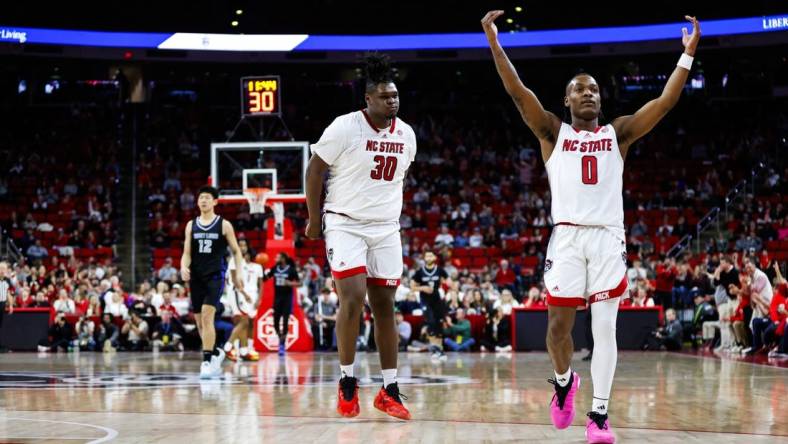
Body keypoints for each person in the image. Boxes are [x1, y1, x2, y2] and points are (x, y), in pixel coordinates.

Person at [482, 10, 701, 443]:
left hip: (606, 239)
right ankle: (564, 383)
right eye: (579, 89)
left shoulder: (618, 134)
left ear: (601, 100)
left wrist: (687, 56)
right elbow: (516, 91)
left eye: (595, 89)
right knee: (557, 331)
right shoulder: (551, 131)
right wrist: (493, 40)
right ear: (566, 100)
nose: (588, 93)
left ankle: (599, 415)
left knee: (604, 330)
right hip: (566, 237)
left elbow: (665, 103)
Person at [305, 53, 416, 420]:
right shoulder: (344, 127)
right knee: (351, 298)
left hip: (385, 227)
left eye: (396, 95)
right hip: (344, 223)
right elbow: (315, 170)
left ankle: (389, 388)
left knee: (386, 306)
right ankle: (347, 380)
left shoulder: (407, 134)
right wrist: (312, 219)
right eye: (385, 96)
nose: (393, 101)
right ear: (367, 100)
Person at [180, 185, 245, 378]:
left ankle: (207, 360)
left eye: (207, 198)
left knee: (208, 317)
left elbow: (237, 251)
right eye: (201, 198)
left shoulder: (224, 225)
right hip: (196, 278)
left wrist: (238, 272)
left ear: (215, 201)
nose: (204, 200)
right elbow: (186, 253)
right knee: (200, 323)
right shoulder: (191, 225)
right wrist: (184, 266)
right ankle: (216, 351)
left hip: (215, 276)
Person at [224, 250, 263, 361]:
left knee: (245, 323)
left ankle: (244, 350)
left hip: (239, 293)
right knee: (243, 321)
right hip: (236, 292)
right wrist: (245, 294)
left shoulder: (249, 265)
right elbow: (234, 281)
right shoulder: (234, 261)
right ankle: (229, 346)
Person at [411, 251, 449, 361]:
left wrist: (451, 286)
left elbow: (448, 282)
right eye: (426, 256)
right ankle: (434, 349)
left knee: (438, 325)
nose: (428, 257)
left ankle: (440, 350)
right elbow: (412, 286)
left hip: (437, 299)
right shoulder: (420, 272)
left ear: (435, 257)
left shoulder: (440, 270)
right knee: (431, 323)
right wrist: (423, 288)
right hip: (425, 300)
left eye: (430, 255)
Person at [263, 252, 300, 356]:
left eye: (277, 257)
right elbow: (265, 278)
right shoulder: (275, 268)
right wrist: (262, 269)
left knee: (285, 322)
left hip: (287, 299)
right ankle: (280, 337)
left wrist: (290, 283)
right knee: (275, 322)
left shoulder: (291, 270)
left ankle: (282, 345)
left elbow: (299, 283)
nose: (275, 258)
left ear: (283, 258)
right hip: (277, 299)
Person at [0, 262, 14, 352]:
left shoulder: (7, 280)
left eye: (3, 269)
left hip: (2, 305)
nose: (2, 270)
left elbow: (8, 293)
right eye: (0, 268)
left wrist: (11, 305)